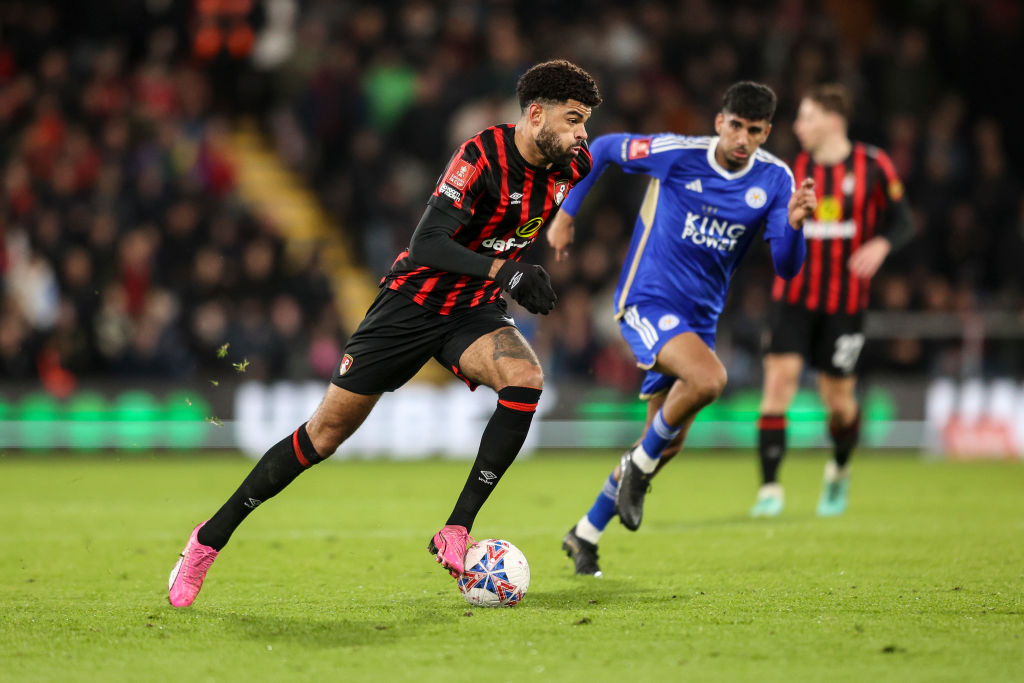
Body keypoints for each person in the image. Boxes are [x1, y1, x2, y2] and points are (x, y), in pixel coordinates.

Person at [167, 59, 602, 607]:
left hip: (471, 309)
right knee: (323, 436)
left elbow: (586, 172)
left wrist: (555, 231)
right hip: (410, 305)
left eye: (585, 122)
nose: (582, 134)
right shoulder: (479, 157)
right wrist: (507, 271)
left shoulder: (574, 165)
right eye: (572, 119)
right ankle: (207, 540)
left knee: (525, 379)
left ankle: (456, 529)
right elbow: (427, 244)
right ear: (535, 115)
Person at [549, 81, 816, 576]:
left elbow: (786, 266)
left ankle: (585, 533)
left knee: (665, 441)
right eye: (735, 126)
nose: (742, 138)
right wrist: (566, 215)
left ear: (766, 133)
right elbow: (603, 149)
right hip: (646, 300)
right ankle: (638, 470)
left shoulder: (777, 180)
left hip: (698, 321)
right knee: (709, 379)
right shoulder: (678, 154)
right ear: (720, 122)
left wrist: (796, 226)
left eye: (754, 131)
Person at [751, 83, 913, 518]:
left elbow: (904, 221)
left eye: (807, 117)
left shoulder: (873, 165)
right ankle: (769, 491)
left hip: (845, 303)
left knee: (838, 404)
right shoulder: (790, 170)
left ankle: (839, 470)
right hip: (792, 297)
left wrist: (881, 244)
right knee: (778, 385)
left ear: (833, 120)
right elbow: (770, 228)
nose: (798, 126)